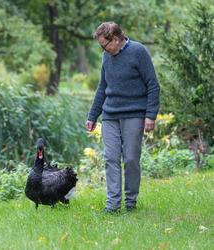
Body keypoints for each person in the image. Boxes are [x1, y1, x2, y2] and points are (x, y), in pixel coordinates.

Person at [85, 22, 160, 213]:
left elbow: (152, 84)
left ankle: (130, 203)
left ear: (116, 39)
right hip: (110, 115)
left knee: (131, 159)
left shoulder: (138, 51)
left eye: (105, 45)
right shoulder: (106, 57)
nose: (103, 49)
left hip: (134, 114)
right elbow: (102, 88)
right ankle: (112, 205)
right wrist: (93, 115)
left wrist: (150, 115)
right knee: (110, 158)